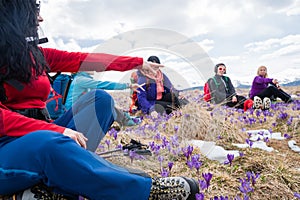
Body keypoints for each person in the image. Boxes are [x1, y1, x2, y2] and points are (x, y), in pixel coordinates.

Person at [0, 1, 199, 200]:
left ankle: (49, 186)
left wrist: (137, 63)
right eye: (34, 13)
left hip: (42, 135)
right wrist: (56, 130)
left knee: (100, 100)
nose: (40, 19)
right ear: (12, 16)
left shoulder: (36, 55)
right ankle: (146, 191)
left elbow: (83, 59)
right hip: (8, 149)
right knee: (48, 144)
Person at [64, 71, 143, 126]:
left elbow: (97, 94)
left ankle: (126, 118)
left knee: (104, 101)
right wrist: (128, 85)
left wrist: (115, 105)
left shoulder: (81, 79)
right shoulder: (81, 80)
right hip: (74, 113)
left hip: (76, 110)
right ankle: (126, 120)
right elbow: (103, 84)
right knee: (104, 104)